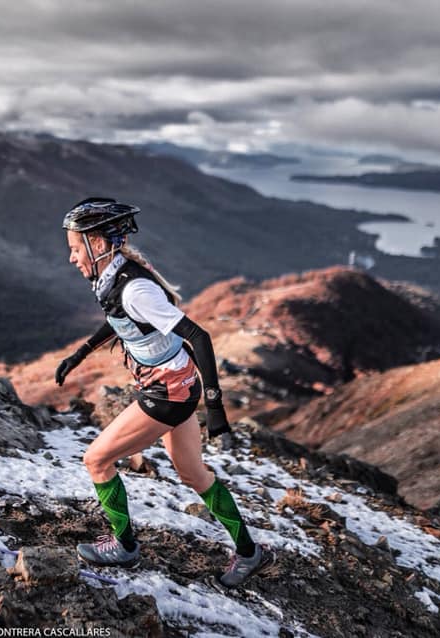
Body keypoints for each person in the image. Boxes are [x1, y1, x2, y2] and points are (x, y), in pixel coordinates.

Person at [56, 197, 275, 588]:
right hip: (180, 382)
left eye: (76, 249)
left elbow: (199, 336)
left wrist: (216, 409)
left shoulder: (135, 288)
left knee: (96, 461)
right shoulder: (115, 275)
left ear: (99, 244)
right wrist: (80, 354)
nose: (72, 258)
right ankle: (249, 553)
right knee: (193, 474)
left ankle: (123, 546)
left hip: (168, 393)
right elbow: (119, 320)